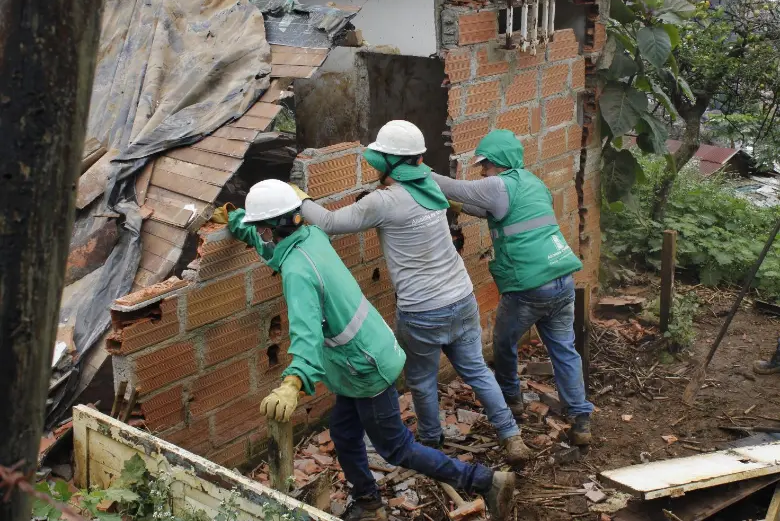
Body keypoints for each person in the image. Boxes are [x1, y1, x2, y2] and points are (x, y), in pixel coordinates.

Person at [226, 179, 516, 521]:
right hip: (363, 355)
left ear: (272, 227)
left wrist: (293, 382)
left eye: (259, 228)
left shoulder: (298, 272)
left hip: (364, 366)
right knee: (345, 433)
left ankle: (485, 481)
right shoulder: (311, 235)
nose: (259, 234)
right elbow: (276, 252)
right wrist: (239, 224)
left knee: (397, 448)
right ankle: (369, 502)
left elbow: (306, 335)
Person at [293, 120, 531, 464]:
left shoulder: (384, 201)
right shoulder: (431, 186)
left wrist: (299, 200)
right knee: (477, 370)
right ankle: (511, 435)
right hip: (462, 298)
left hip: (423, 310)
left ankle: (432, 445)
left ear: (387, 161)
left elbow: (330, 223)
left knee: (422, 381)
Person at [430, 129, 595, 446]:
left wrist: (414, 169)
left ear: (499, 163)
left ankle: (512, 400)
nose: (482, 171)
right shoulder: (533, 183)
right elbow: (490, 210)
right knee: (564, 351)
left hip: (529, 286)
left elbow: (457, 187)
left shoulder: (497, 184)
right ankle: (581, 419)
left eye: (485, 165)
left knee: (503, 344)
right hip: (561, 279)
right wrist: (452, 204)